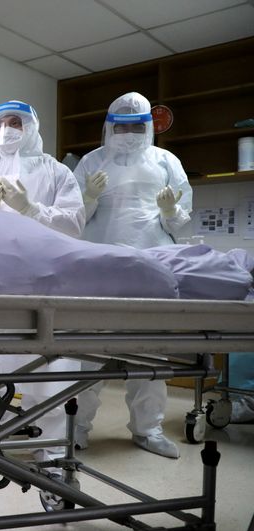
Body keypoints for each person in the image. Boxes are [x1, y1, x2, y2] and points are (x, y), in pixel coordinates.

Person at [0, 100, 85, 468]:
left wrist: (31, 209)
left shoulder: (57, 174)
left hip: (45, 285)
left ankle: (52, 447)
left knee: (51, 367)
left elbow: (75, 224)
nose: (7, 129)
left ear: (32, 127)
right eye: (1, 123)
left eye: (15, 122)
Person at [72, 91, 193, 459]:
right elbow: (71, 220)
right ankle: (75, 428)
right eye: (120, 126)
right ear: (108, 126)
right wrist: (88, 198)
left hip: (149, 271)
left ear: (148, 127)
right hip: (99, 271)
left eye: (135, 126)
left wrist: (171, 210)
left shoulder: (166, 162)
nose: (127, 133)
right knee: (85, 358)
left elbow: (181, 227)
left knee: (150, 357)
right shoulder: (91, 161)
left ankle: (148, 428)